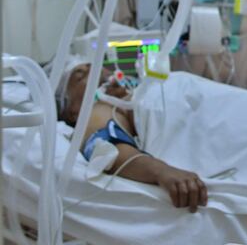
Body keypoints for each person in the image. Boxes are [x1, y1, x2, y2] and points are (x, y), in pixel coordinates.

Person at [56, 60, 208, 213]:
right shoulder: (100, 108)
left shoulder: (139, 90)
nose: (95, 70)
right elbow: (105, 147)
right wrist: (162, 171)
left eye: (93, 65)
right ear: (73, 111)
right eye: (80, 76)